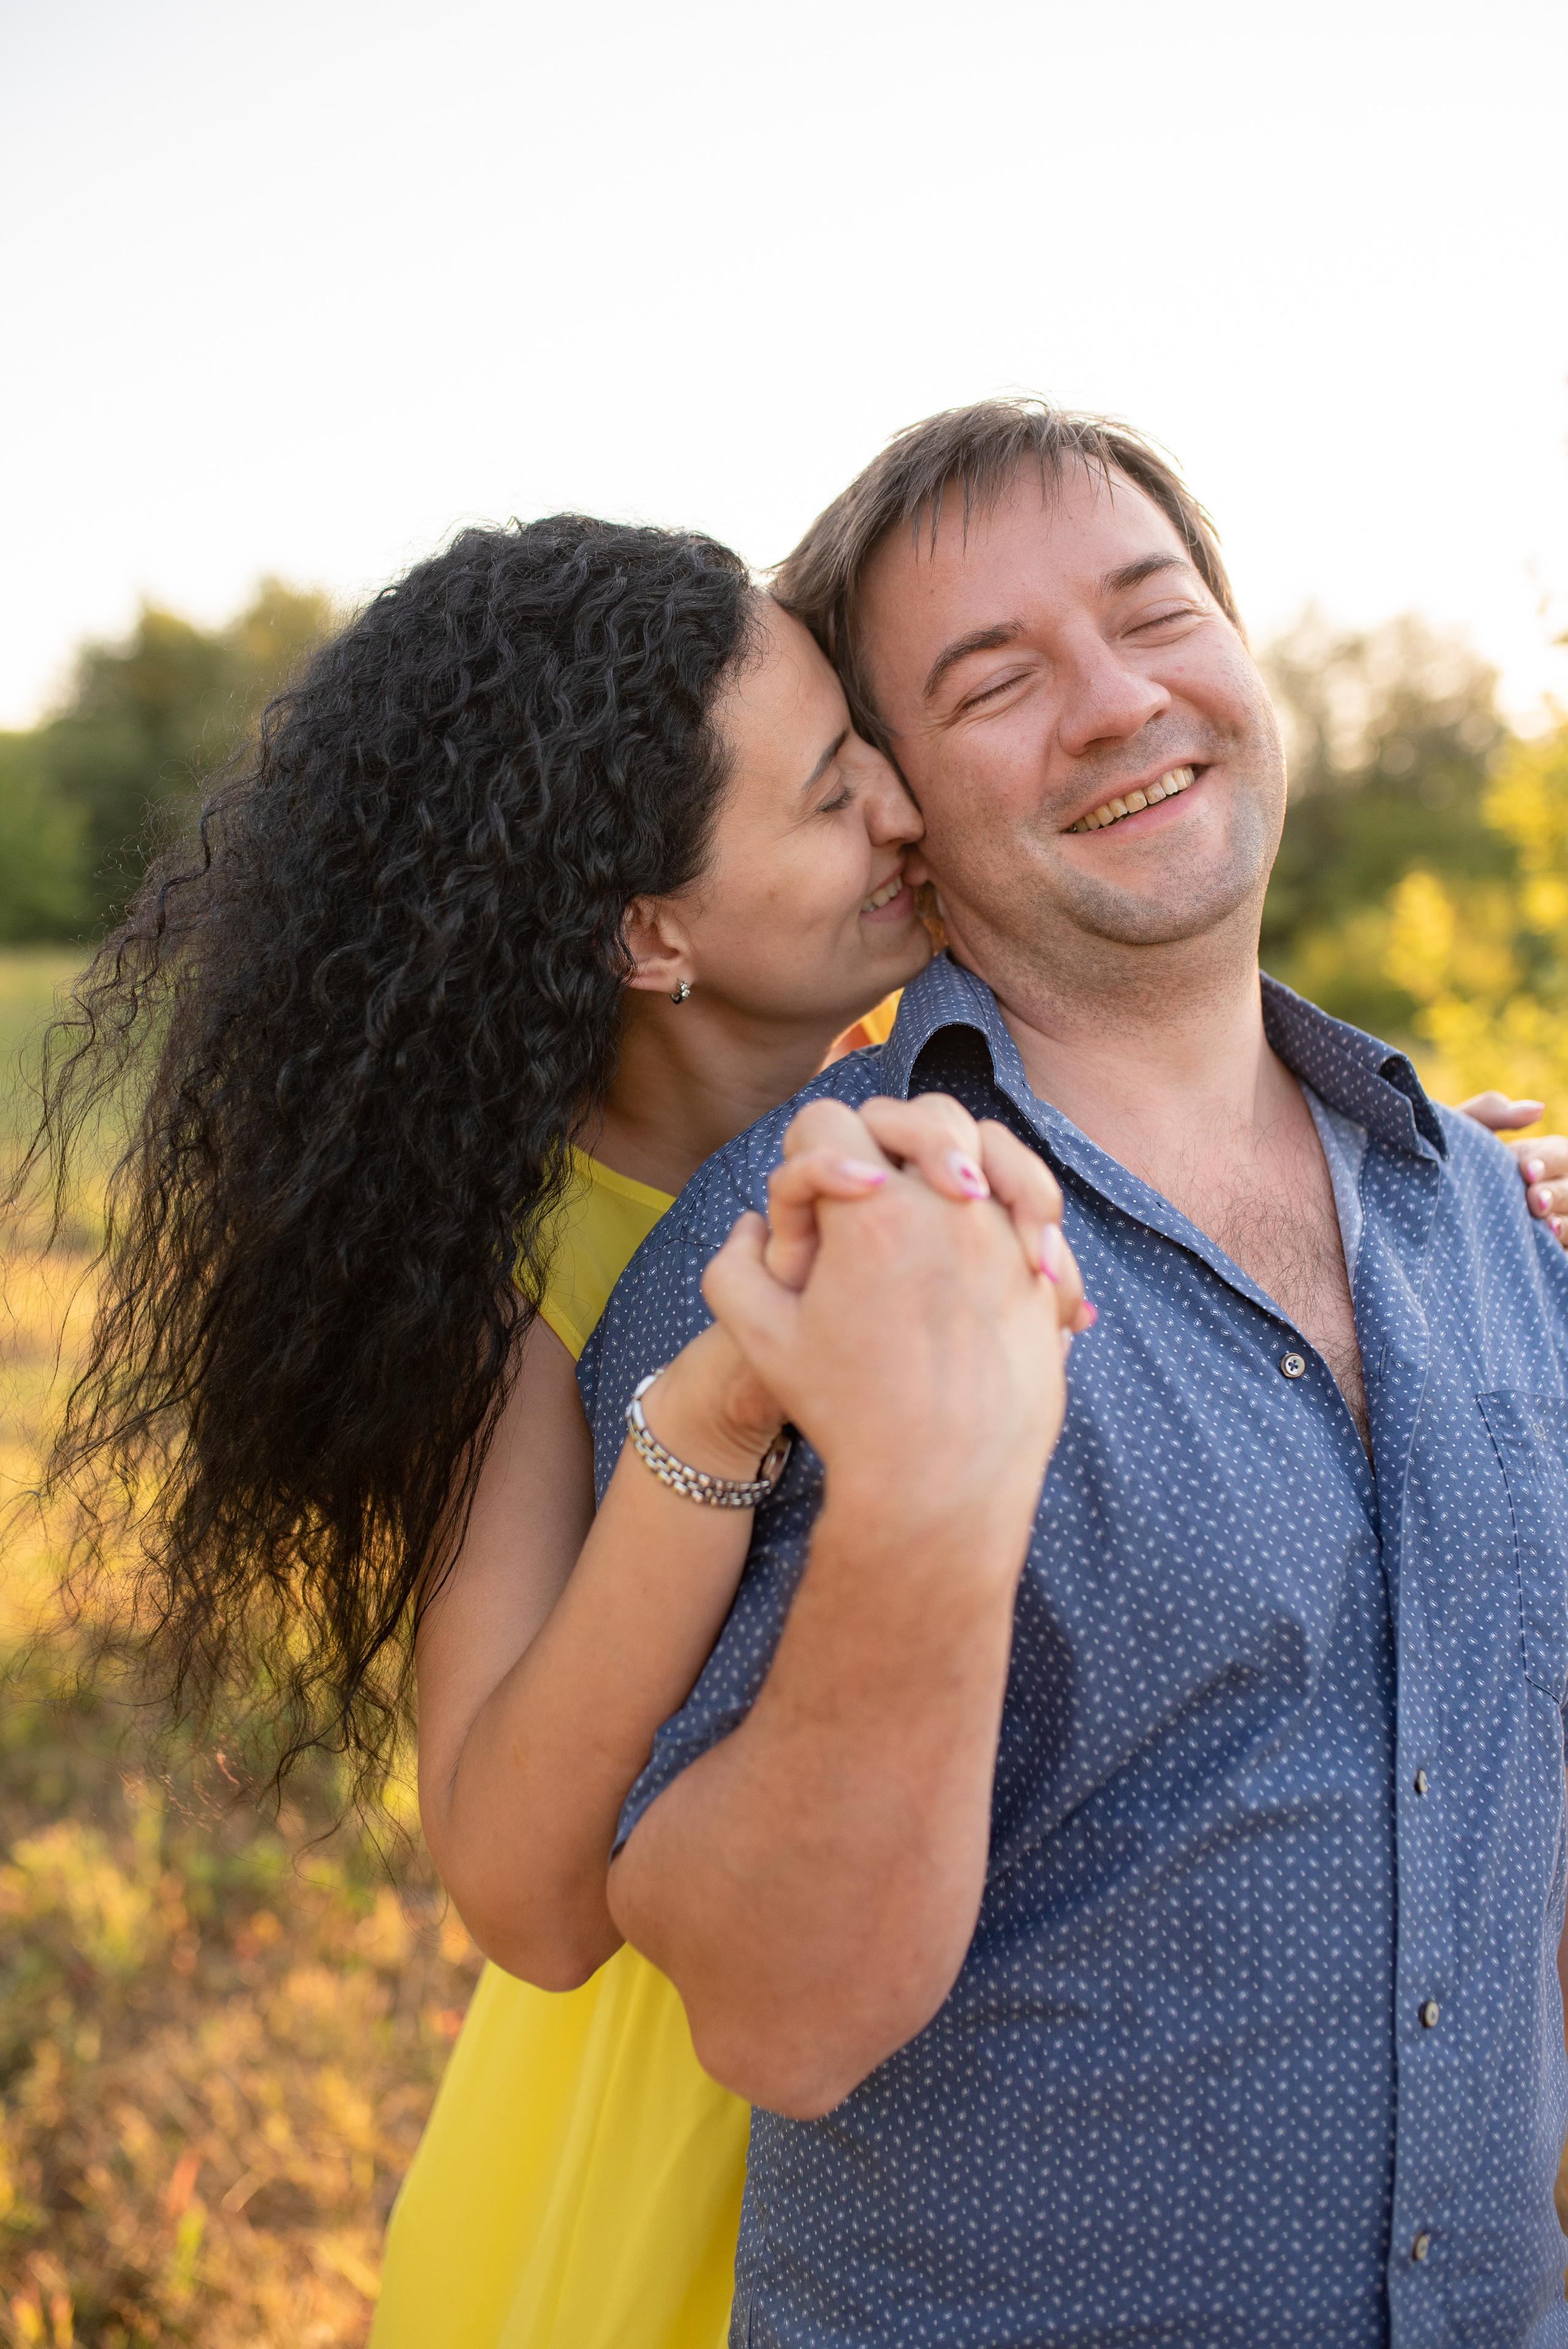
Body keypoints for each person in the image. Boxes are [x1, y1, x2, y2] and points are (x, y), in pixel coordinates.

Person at [26, 490, 1562, 2349]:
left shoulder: (892, 1106)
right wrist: (719, 1407)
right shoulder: (526, 1297)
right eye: (837, 794)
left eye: (876, 751)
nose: (907, 809)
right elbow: (527, 1892)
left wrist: (1394, 1207)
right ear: (650, 933)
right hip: (681, 2162)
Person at [587, 401, 1568, 2345]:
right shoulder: (786, 1249)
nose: (1119, 704)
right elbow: (773, 2014)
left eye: (1154, 613)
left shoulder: (1486, 1217)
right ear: (902, 817)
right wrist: (928, 1504)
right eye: (997, 681)